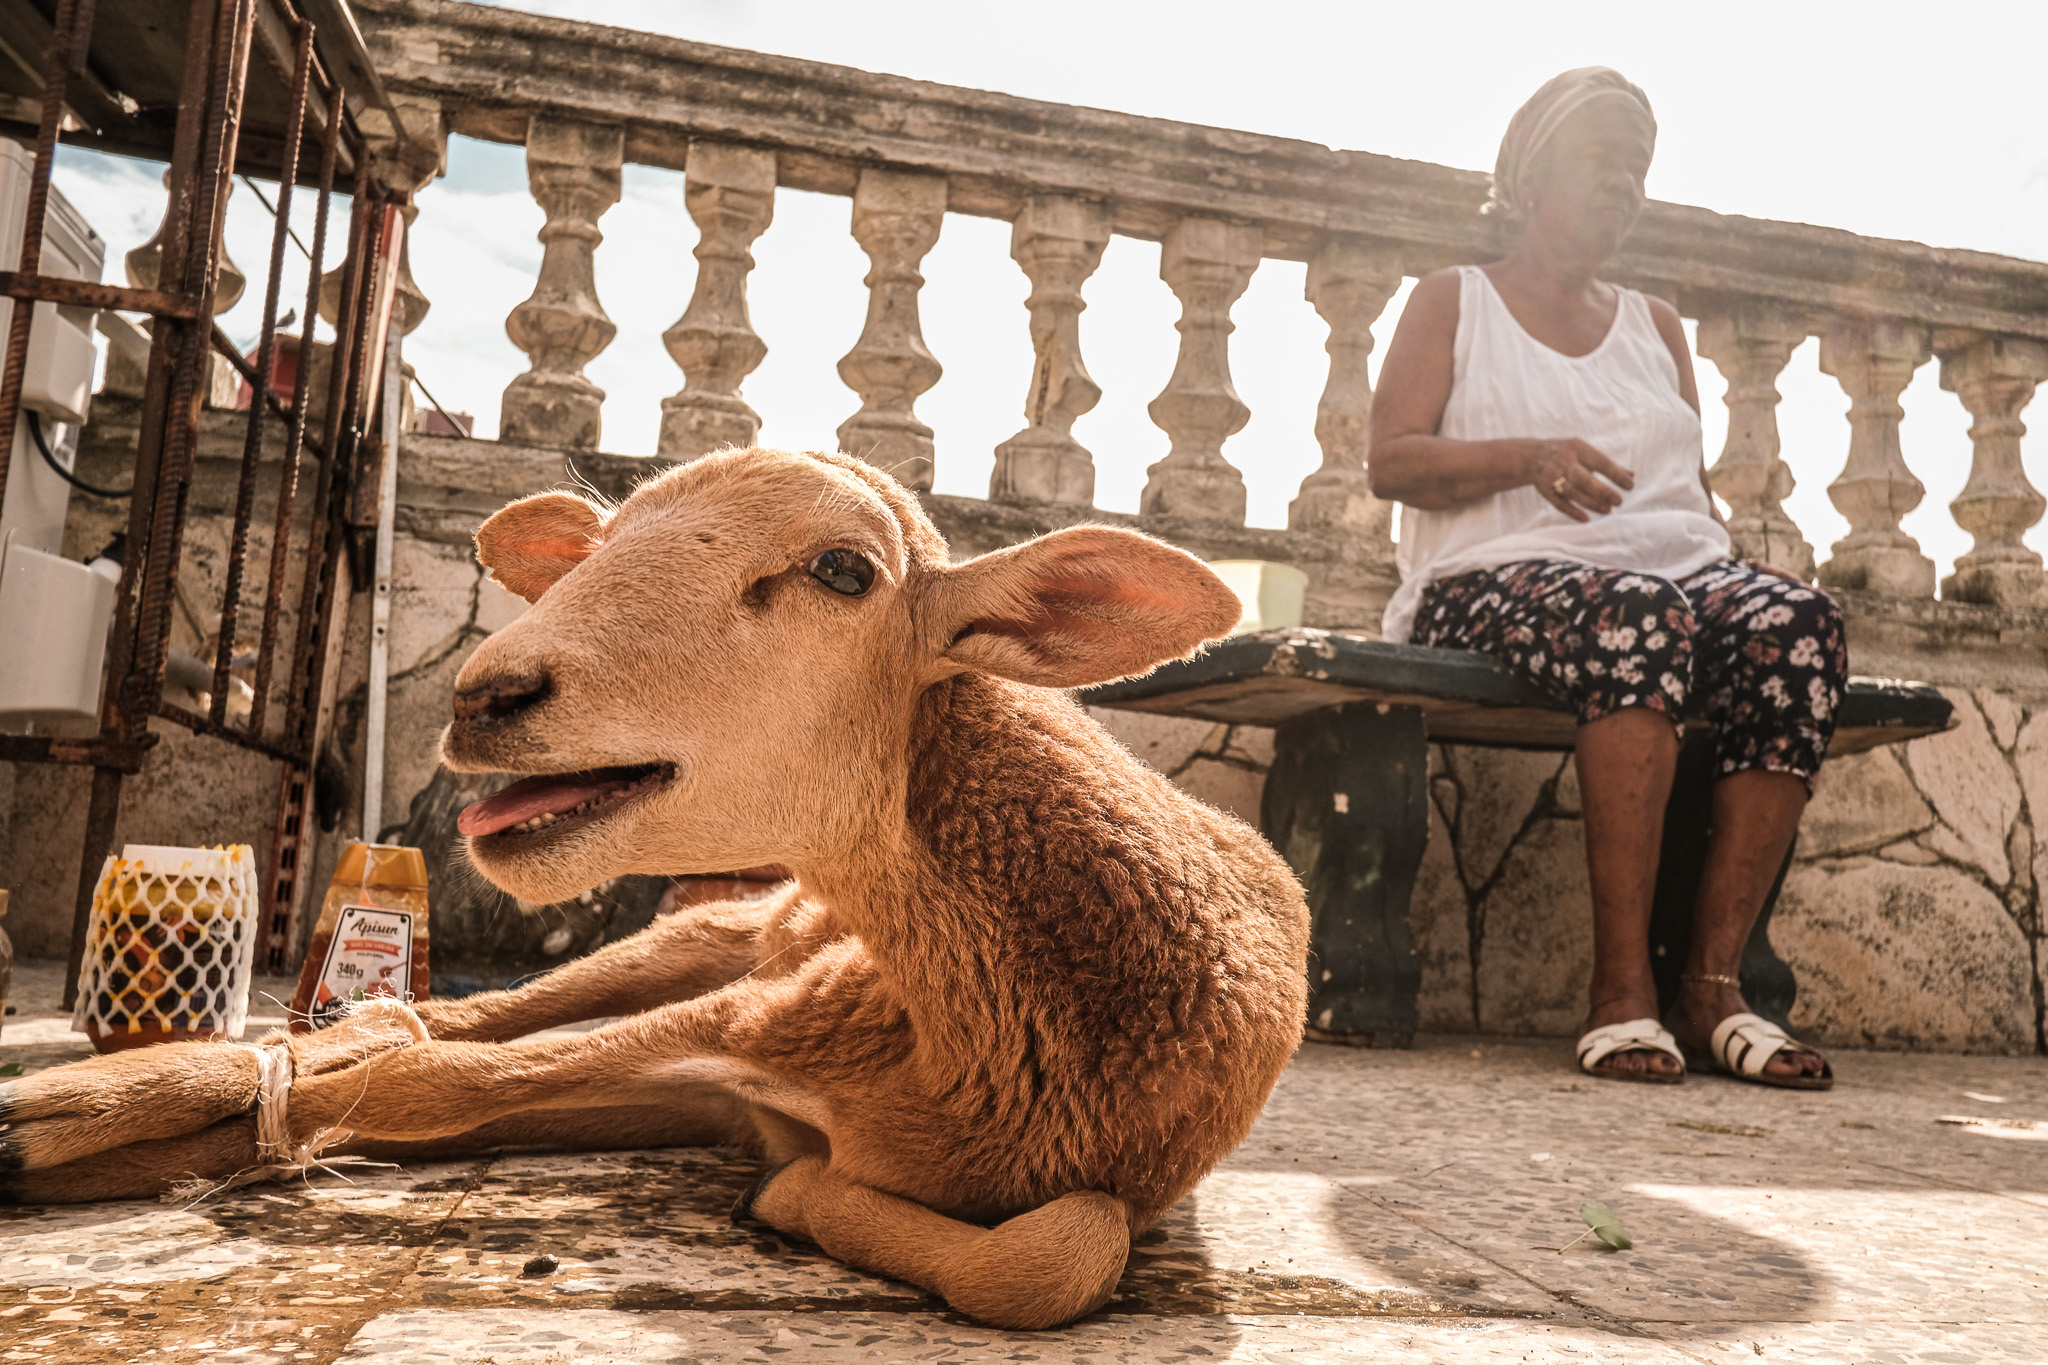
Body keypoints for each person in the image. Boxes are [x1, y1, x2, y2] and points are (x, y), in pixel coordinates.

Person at [1368, 67, 1839, 1089]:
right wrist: (1526, 456)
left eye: (1636, 169)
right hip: (1490, 577)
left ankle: (1710, 987)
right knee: (1641, 616)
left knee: (1795, 623)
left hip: (1667, 578)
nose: (1622, 185)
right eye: (1599, 162)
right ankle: (1620, 988)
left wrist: (1736, 566)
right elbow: (1389, 460)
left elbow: (1686, 490)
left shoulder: (1655, 324)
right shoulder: (1455, 300)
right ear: (1528, 179)